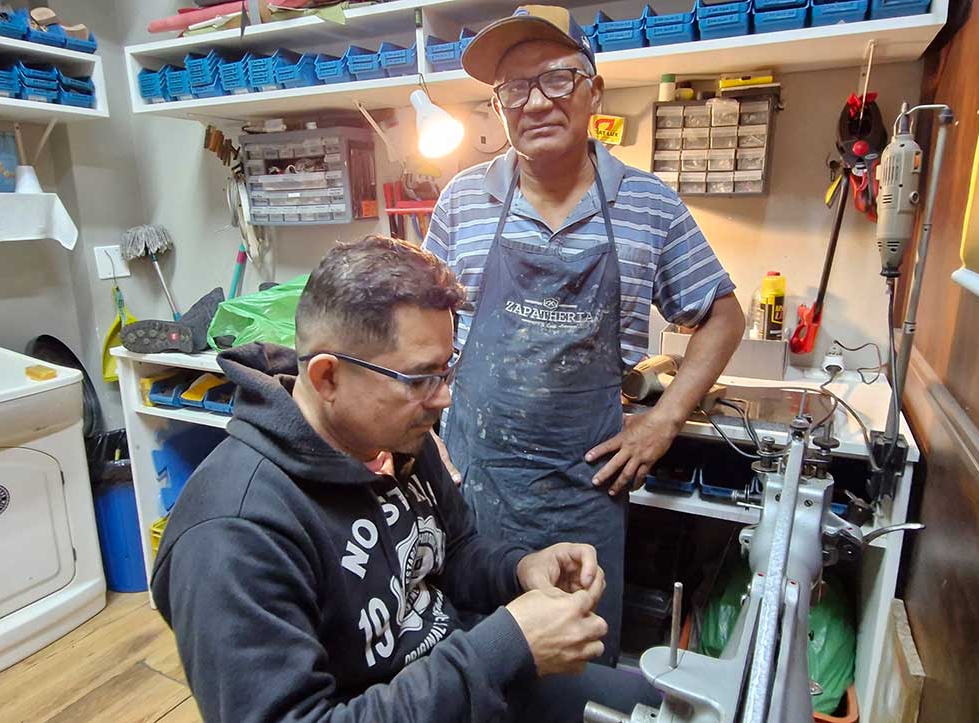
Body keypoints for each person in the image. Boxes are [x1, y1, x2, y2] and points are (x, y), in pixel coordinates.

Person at [150, 236, 658, 722]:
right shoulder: (232, 533)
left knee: (660, 704)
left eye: (446, 369)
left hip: (465, 687)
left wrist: (520, 570)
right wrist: (504, 648)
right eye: (419, 378)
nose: (444, 398)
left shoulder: (396, 437)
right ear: (327, 377)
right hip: (449, 688)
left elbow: (452, 551)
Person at [424, 5, 747, 664]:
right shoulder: (461, 200)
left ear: (592, 90)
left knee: (571, 675)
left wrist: (660, 424)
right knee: (469, 669)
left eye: (555, 80)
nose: (534, 102)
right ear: (498, 107)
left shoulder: (647, 205)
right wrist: (426, 435)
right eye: (513, 89)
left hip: (583, 496)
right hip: (471, 493)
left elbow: (723, 315)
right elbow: (421, 320)